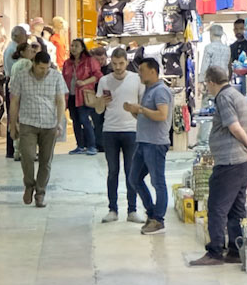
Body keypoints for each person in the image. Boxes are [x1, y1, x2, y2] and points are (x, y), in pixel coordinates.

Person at [188, 64, 247, 266]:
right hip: (242, 161)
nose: (207, 88)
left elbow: (235, 127)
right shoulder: (239, 96)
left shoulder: (223, 97)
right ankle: (235, 251)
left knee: (217, 206)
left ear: (211, 82)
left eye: (206, 84)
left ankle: (215, 252)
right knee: (236, 207)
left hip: (230, 161)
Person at [10, 43, 67, 207]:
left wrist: (59, 122)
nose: (44, 71)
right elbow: (14, 101)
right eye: (41, 68)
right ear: (34, 64)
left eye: (47, 68)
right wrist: (12, 125)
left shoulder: (56, 76)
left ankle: (40, 192)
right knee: (27, 156)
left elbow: (60, 101)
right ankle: (29, 184)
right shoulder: (21, 76)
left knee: (45, 160)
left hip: (49, 124)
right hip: (28, 122)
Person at [124, 56, 172, 235]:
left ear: (153, 71)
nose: (139, 73)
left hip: (155, 143)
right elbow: (148, 116)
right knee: (134, 178)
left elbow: (162, 115)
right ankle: (152, 214)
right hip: (143, 141)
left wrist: (141, 109)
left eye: (142, 70)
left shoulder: (160, 91)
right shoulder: (148, 90)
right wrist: (135, 112)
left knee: (158, 182)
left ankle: (158, 219)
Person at [96, 47, 140, 223]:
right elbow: (99, 110)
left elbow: (142, 105)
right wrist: (100, 101)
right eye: (114, 64)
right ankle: (112, 209)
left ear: (126, 62)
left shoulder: (136, 79)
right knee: (112, 171)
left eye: (121, 63)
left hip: (131, 130)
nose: (118, 67)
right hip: (110, 131)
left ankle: (132, 210)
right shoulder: (104, 81)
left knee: (131, 171)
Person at [63, 38, 101, 154]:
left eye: (76, 46)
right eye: (72, 46)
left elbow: (98, 75)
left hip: (84, 95)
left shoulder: (90, 61)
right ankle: (79, 145)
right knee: (75, 121)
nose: (73, 48)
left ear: (82, 48)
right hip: (71, 96)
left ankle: (92, 145)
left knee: (84, 119)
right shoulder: (67, 63)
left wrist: (84, 82)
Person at [1, 25, 30, 159]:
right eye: (24, 35)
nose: (26, 38)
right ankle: (14, 149)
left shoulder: (11, 48)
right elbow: (17, 73)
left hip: (13, 84)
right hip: (15, 85)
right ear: (18, 36)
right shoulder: (14, 50)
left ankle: (13, 149)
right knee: (16, 117)